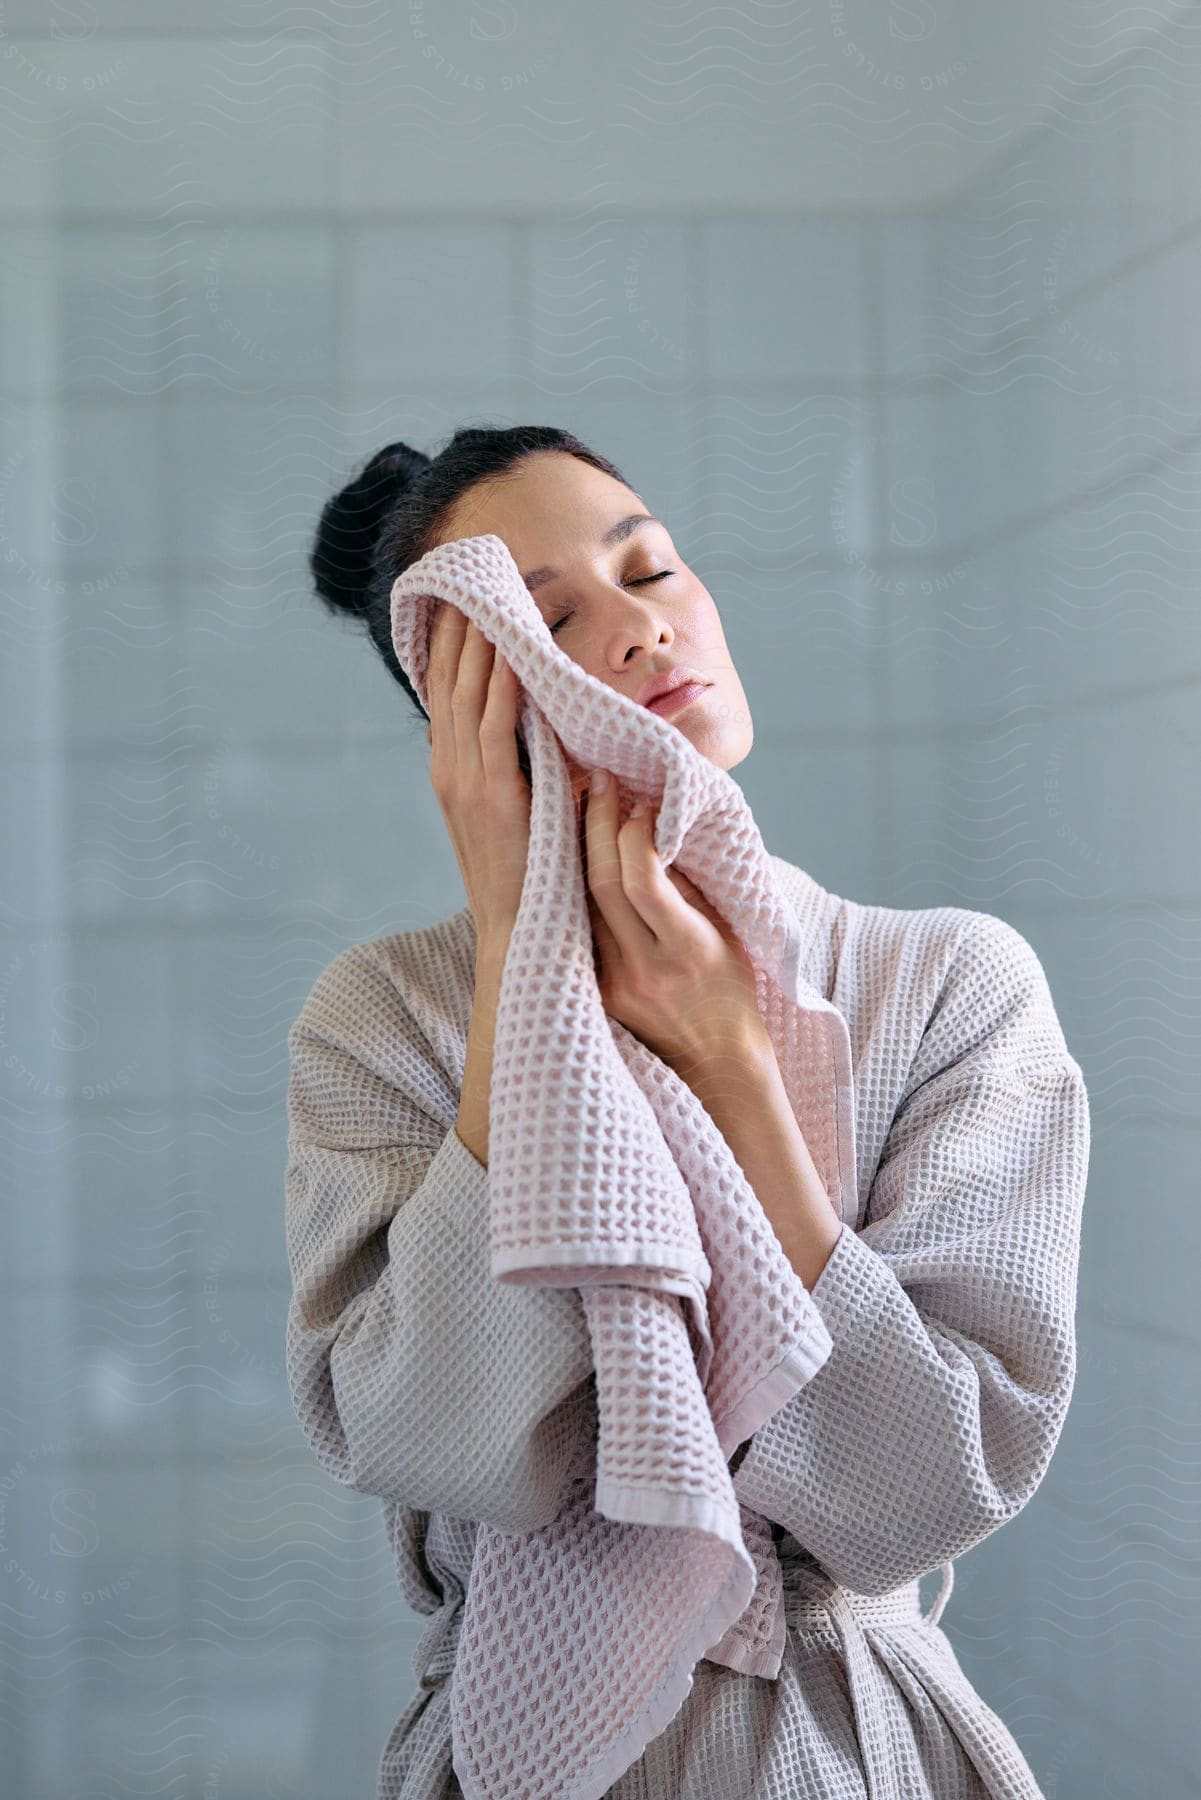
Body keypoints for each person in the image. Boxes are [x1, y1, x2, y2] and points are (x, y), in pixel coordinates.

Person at [285, 424, 1090, 1799]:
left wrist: (726, 1055)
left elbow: (931, 1482)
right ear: (470, 715)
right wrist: (518, 968)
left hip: (844, 1747)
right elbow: (420, 1428)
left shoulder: (947, 983)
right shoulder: (387, 1016)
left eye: (649, 567)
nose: (642, 632)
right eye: (549, 623)